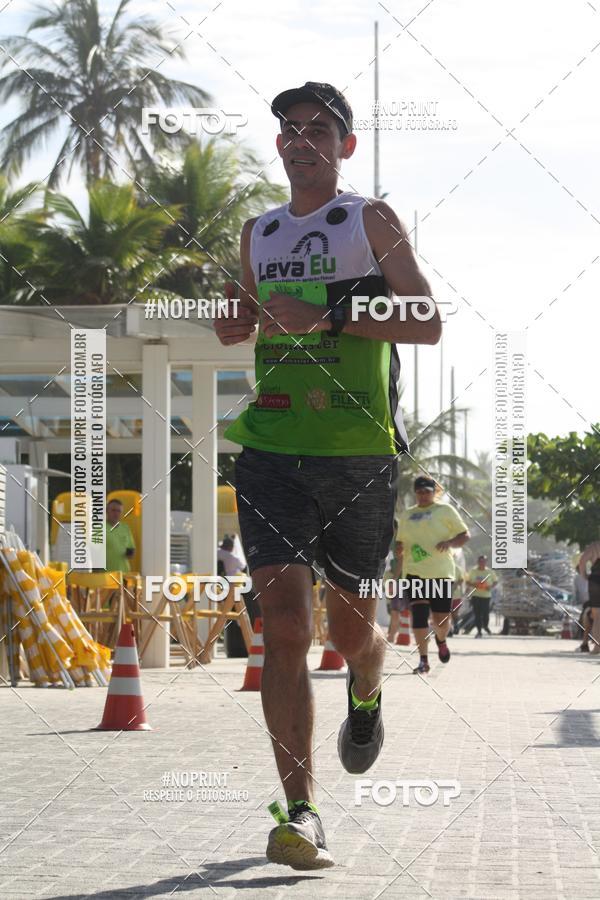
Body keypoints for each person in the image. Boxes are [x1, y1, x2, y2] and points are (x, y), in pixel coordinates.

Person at [214, 80, 441, 869]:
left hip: (357, 452)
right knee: (282, 628)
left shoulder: (368, 219)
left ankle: (368, 691)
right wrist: (232, 319)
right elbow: (244, 316)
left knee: (351, 633)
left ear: (344, 147)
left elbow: (428, 320)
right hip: (273, 446)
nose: (300, 140)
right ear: (278, 145)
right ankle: (300, 813)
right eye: (288, 130)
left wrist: (337, 313)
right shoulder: (259, 231)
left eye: (319, 129)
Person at [395, 476, 470, 673]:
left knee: (441, 620)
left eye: (427, 491)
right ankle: (423, 660)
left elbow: (465, 535)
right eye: (419, 492)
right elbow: (400, 540)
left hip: (441, 572)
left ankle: (441, 639)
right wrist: (399, 548)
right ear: (415, 493)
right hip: (414, 572)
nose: (423, 495)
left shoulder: (445, 510)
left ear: (434, 491)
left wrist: (450, 543)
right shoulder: (407, 515)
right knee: (418, 617)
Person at [466, 555, 498, 638]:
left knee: (485, 614)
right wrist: (474, 584)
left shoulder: (490, 572)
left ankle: (486, 626)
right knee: (477, 614)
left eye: (483, 561)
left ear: (486, 562)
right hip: (476, 595)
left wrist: (490, 587)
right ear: (478, 562)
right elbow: (467, 581)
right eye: (480, 561)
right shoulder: (473, 571)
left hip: (486, 596)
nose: (482, 563)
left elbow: (495, 581)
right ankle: (479, 631)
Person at [578, 542, 600, 653]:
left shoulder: (594, 546)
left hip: (595, 580)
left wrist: (584, 575)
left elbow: (582, 561)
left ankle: (597, 647)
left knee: (597, 618)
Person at [105, 499, 135, 573]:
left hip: (123, 573)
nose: (116, 513)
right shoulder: (98, 528)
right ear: (106, 511)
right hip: (105, 575)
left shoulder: (125, 528)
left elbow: (131, 549)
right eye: (113, 510)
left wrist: (130, 553)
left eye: (119, 511)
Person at [449, 556, 465, 637]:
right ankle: (449, 630)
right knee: (447, 613)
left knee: (454, 613)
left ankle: (456, 626)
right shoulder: (444, 567)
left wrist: (455, 584)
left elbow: (461, 579)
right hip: (445, 595)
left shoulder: (457, 569)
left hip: (456, 596)